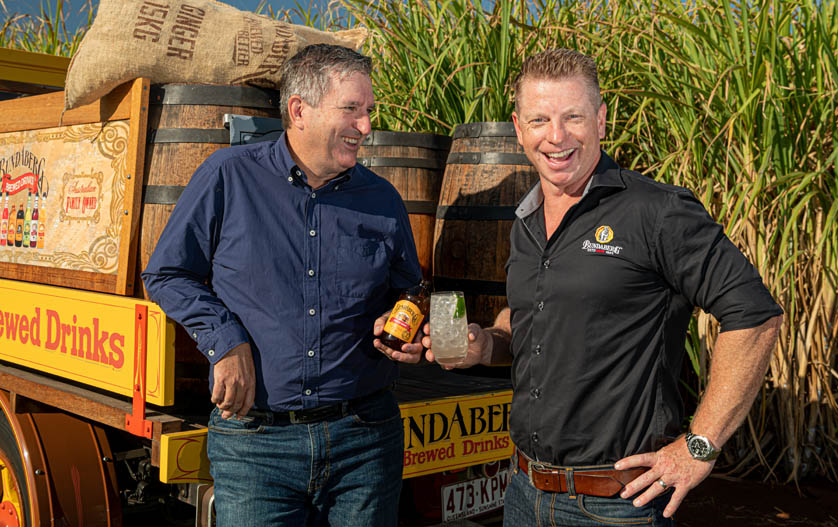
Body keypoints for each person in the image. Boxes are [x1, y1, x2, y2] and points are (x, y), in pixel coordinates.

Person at [423, 48, 783, 525]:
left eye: (572, 117)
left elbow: (755, 314)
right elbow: (533, 316)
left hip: (616, 506)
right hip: (524, 493)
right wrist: (488, 344)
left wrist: (700, 445)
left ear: (601, 120)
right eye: (539, 120)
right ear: (518, 128)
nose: (556, 136)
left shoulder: (656, 212)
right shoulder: (526, 220)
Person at [142, 44, 423, 526]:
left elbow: (409, 290)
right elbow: (166, 273)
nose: (365, 126)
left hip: (365, 439)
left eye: (368, 111)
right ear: (299, 110)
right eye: (351, 110)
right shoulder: (228, 175)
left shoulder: (383, 199)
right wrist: (225, 340)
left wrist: (404, 327)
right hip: (256, 446)